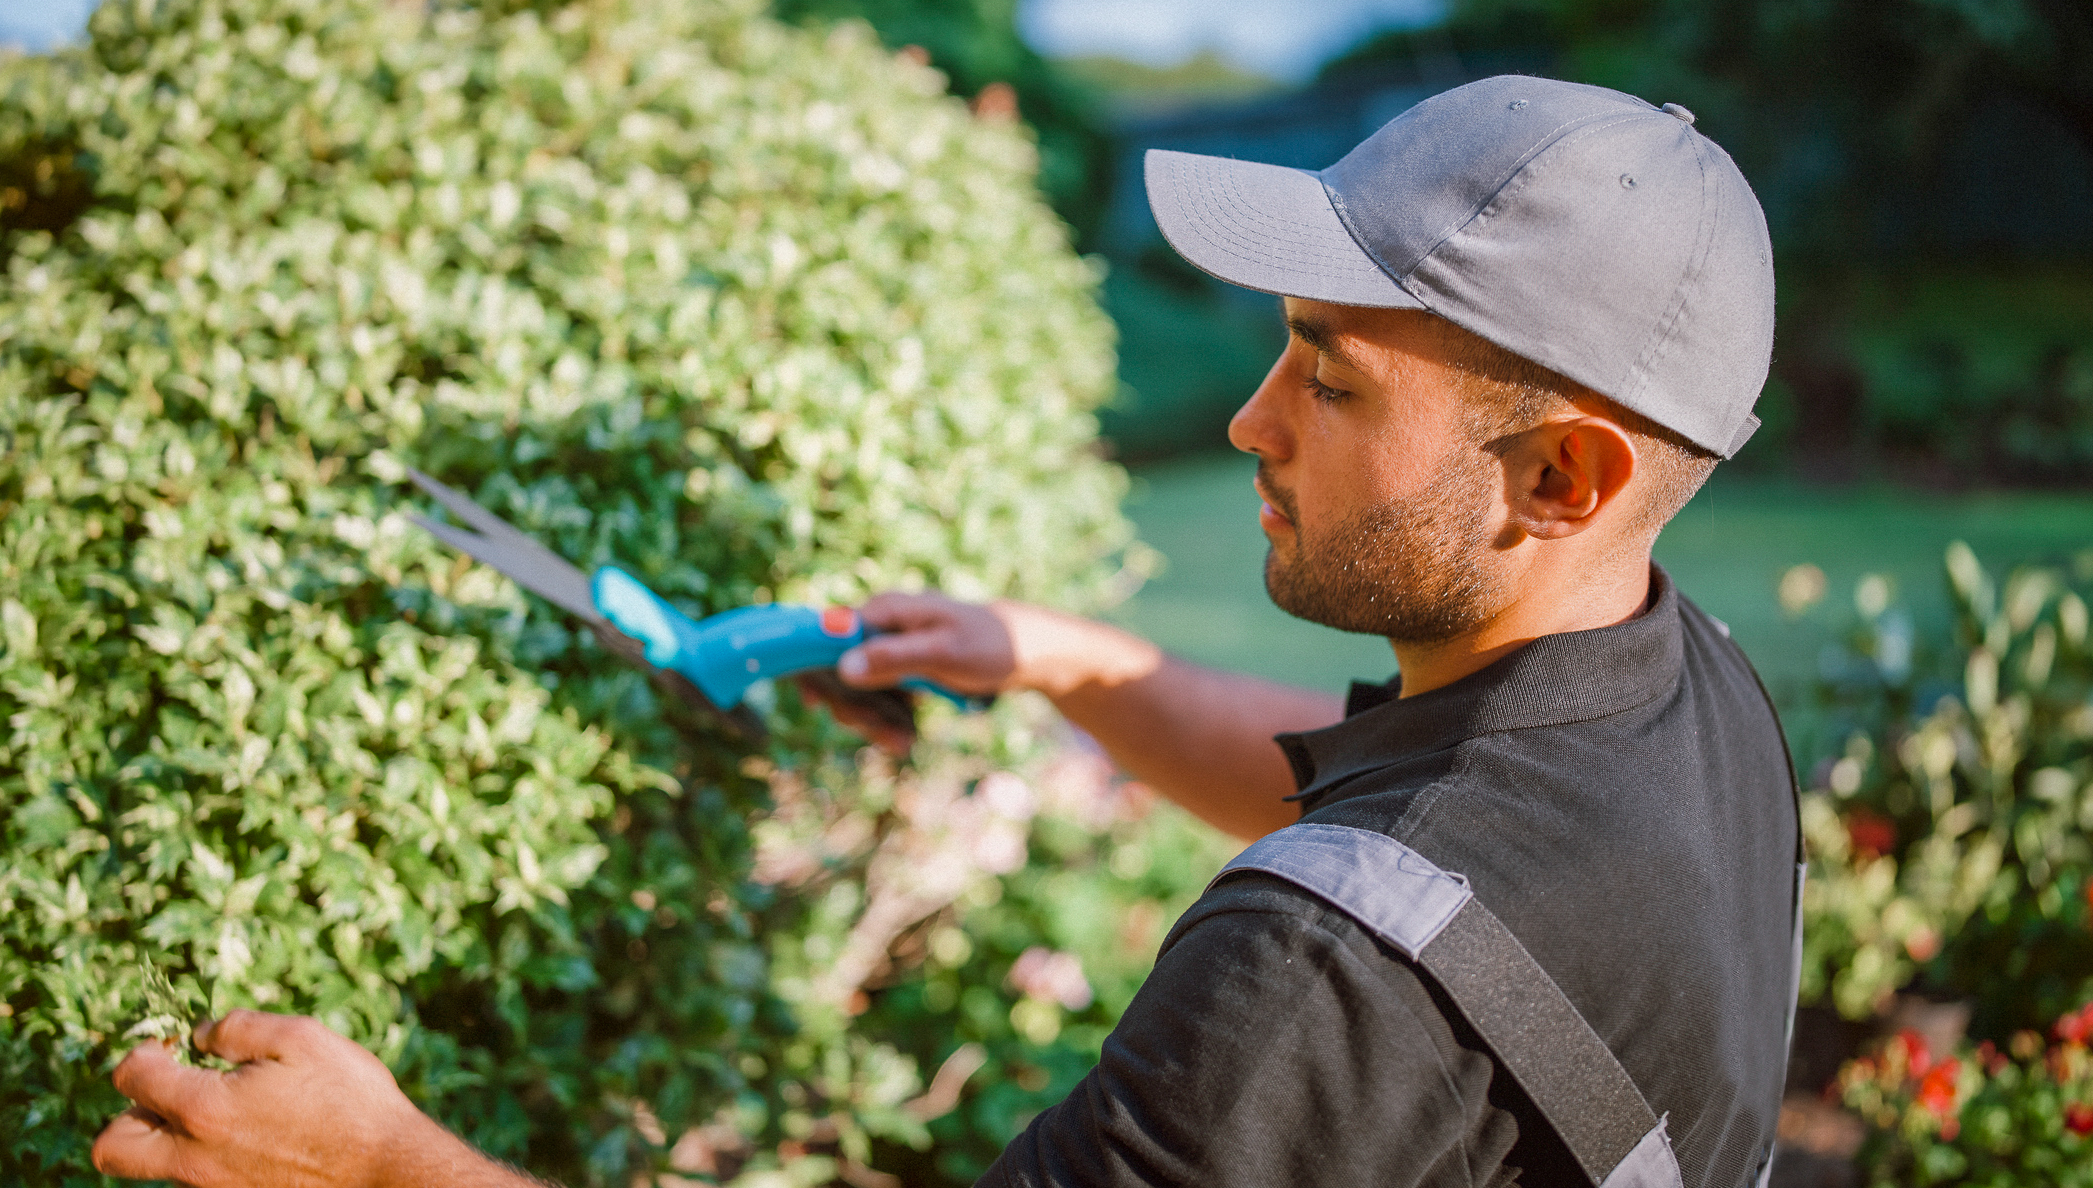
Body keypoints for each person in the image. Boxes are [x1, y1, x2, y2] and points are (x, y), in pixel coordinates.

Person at [94, 75, 1801, 1188]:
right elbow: (1381, 827)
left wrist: (386, 1164)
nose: (1249, 423)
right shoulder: (1688, 697)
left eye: (1329, 379)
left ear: (1563, 476)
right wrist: (1066, 659)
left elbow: (1380, 908)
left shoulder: (1307, 996)